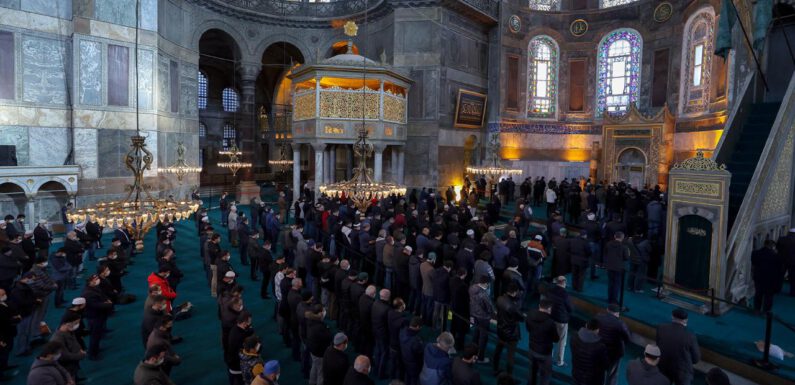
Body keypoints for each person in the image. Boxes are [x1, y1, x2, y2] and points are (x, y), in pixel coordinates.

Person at [656, 308, 700, 385]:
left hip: (663, 367)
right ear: (686, 320)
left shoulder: (661, 328)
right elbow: (696, 359)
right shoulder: (690, 335)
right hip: (681, 372)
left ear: (672, 317)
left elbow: (658, 345)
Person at [595, 304, 630, 385]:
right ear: (617, 313)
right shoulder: (620, 324)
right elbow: (628, 338)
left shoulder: (598, 317)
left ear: (607, 310)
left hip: (600, 349)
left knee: (600, 370)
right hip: (614, 353)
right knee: (612, 374)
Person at [526, 299, 558, 385]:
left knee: (532, 372)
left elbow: (528, 329)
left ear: (539, 306)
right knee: (545, 375)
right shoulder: (550, 323)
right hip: (545, 353)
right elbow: (556, 339)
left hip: (532, 348)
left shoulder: (530, 314)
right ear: (549, 309)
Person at [493, 283, 523, 375]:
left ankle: (495, 368)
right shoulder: (513, 306)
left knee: (498, 350)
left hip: (501, 329)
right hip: (511, 333)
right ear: (514, 292)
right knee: (510, 355)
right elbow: (520, 318)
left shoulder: (499, 299)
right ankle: (509, 377)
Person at [570, 318, 608, 385]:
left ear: (586, 325)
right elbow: (604, 365)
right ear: (597, 330)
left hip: (576, 373)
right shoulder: (600, 346)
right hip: (592, 379)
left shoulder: (574, 336)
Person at [544, 276, 572, 367]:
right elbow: (570, 308)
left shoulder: (550, 290)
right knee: (561, 341)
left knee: (550, 339)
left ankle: (548, 357)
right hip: (561, 320)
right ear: (564, 283)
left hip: (551, 317)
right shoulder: (565, 294)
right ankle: (560, 361)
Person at [49, 312, 85, 381]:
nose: (77, 325)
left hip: (73, 365)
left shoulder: (69, 331)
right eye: (76, 323)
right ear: (68, 323)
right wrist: (80, 355)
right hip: (67, 368)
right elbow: (64, 356)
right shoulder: (57, 339)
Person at [751, 240, 784, 312]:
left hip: (758, 277)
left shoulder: (755, 253)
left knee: (758, 294)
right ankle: (766, 311)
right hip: (770, 279)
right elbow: (780, 271)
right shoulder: (776, 256)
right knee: (768, 296)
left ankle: (756, 309)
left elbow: (753, 264)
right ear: (772, 246)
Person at [469, 276, 494, 363]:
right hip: (483, 318)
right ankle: (480, 357)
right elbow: (490, 308)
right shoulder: (484, 294)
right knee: (483, 338)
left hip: (474, 314)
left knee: (476, 334)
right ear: (486, 283)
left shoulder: (472, 288)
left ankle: (472, 352)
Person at [306, 304, 332, 385]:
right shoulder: (319, 327)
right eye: (323, 310)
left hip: (313, 351)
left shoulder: (311, 321)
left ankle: (312, 382)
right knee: (321, 373)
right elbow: (328, 338)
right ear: (320, 313)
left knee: (315, 367)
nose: (324, 312)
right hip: (320, 353)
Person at [603, 232, 629, 305]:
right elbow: (626, 258)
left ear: (614, 236)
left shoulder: (608, 244)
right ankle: (614, 300)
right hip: (618, 268)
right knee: (616, 284)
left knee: (610, 283)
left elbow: (605, 253)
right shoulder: (624, 247)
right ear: (622, 238)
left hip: (609, 266)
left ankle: (609, 298)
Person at [400, 316, 425, 385]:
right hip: (414, 365)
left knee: (407, 376)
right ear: (417, 327)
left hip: (404, 359)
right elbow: (420, 354)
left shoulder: (402, 331)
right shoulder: (416, 341)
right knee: (414, 380)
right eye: (420, 327)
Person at [776, 228, 795, 297]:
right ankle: (793, 292)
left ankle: (777, 290)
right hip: (793, 262)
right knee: (793, 278)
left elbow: (777, 248)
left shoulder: (781, 239)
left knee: (779, 276)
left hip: (782, 260)